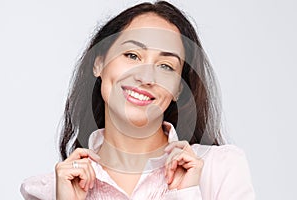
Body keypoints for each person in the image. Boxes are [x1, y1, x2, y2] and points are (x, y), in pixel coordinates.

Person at [20, 1, 255, 199]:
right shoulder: (50, 191)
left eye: (165, 66)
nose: (145, 77)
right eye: (132, 55)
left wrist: (186, 194)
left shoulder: (220, 170)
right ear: (98, 63)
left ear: (178, 89)